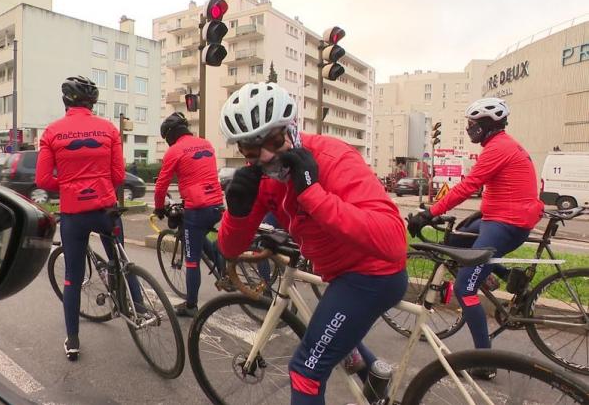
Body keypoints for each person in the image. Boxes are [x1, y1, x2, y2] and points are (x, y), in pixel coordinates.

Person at [216, 82, 408, 404]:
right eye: (251, 150)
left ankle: (372, 374)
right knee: (332, 331)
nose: (266, 157)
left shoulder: (333, 158)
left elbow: (394, 242)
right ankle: (375, 375)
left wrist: (313, 194)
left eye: (275, 141)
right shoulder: (261, 179)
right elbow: (231, 249)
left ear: (292, 128)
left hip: (373, 273)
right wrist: (236, 212)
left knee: (306, 370)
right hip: (341, 273)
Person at [407, 97, 544, 379]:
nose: (469, 129)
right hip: (500, 217)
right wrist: (478, 215)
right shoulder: (502, 145)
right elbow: (504, 187)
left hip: (507, 224)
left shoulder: (498, 149)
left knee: (464, 289)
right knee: (456, 242)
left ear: (486, 125)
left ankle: (485, 360)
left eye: (472, 124)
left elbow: (469, 186)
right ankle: (503, 275)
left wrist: (430, 213)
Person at [36, 75, 138, 361]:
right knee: (123, 261)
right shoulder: (108, 129)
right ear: (92, 102)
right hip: (106, 209)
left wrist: (69, 185)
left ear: (66, 101)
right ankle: (139, 307)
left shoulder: (52, 132)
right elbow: (118, 176)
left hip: (74, 215)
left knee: (72, 278)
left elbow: (43, 179)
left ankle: (73, 340)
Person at [154, 112, 225, 317]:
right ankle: (224, 274)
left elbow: (161, 186)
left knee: (192, 260)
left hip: (198, 208)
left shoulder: (175, 151)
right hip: (216, 205)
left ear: (169, 135)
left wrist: (159, 208)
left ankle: (191, 305)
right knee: (200, 237)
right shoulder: (206, 143)